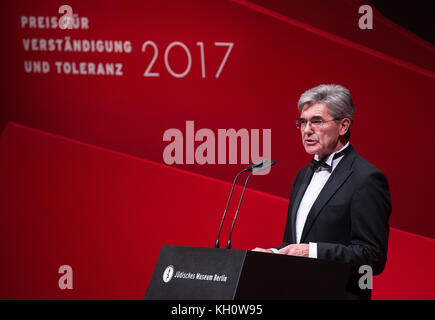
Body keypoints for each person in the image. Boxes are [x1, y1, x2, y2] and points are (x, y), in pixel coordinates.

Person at [253, 84, 392, 299]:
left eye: (316, 121)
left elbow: (372, 257)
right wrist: (272, 254)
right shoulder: (302, 175)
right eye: (303, 122)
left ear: (343, 126)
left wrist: (313, 251)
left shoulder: (366, 179)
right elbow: (294, 243)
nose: (307, 130)